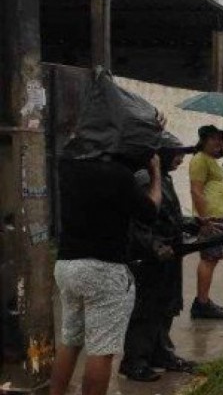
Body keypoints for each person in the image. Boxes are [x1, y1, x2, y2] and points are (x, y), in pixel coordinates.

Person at [50, 151, 162, 395]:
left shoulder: (69, 164)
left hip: (67, 265)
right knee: (101, 351)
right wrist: (156, 174)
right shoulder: (119, 175)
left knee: (70, 340)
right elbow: (150, 211)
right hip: (104, 269)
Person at [120, 132, 199, 381]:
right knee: (147, 309)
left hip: (169, 255)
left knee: (166, 306)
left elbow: (168, 216)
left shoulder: (164, 179)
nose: (181, 159)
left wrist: (192, 224)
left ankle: (161, 353)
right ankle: (134, 361)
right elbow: (137, 222)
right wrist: (153, 246)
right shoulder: (146, 180)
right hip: (149, 258)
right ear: (160, 154)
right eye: (177, 153)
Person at [189, 125, 223, 319]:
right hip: (211, 219)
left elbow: (221, 184)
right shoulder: (200, 160)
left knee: (213, 259)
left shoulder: (212, 161)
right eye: (214, 139)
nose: (219, 143)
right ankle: (201, 304)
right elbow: (196, 191)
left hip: (219, 217)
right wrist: (204, 218)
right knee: (208, 259)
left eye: (221, 140)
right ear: (204, 140)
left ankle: (204, 300)